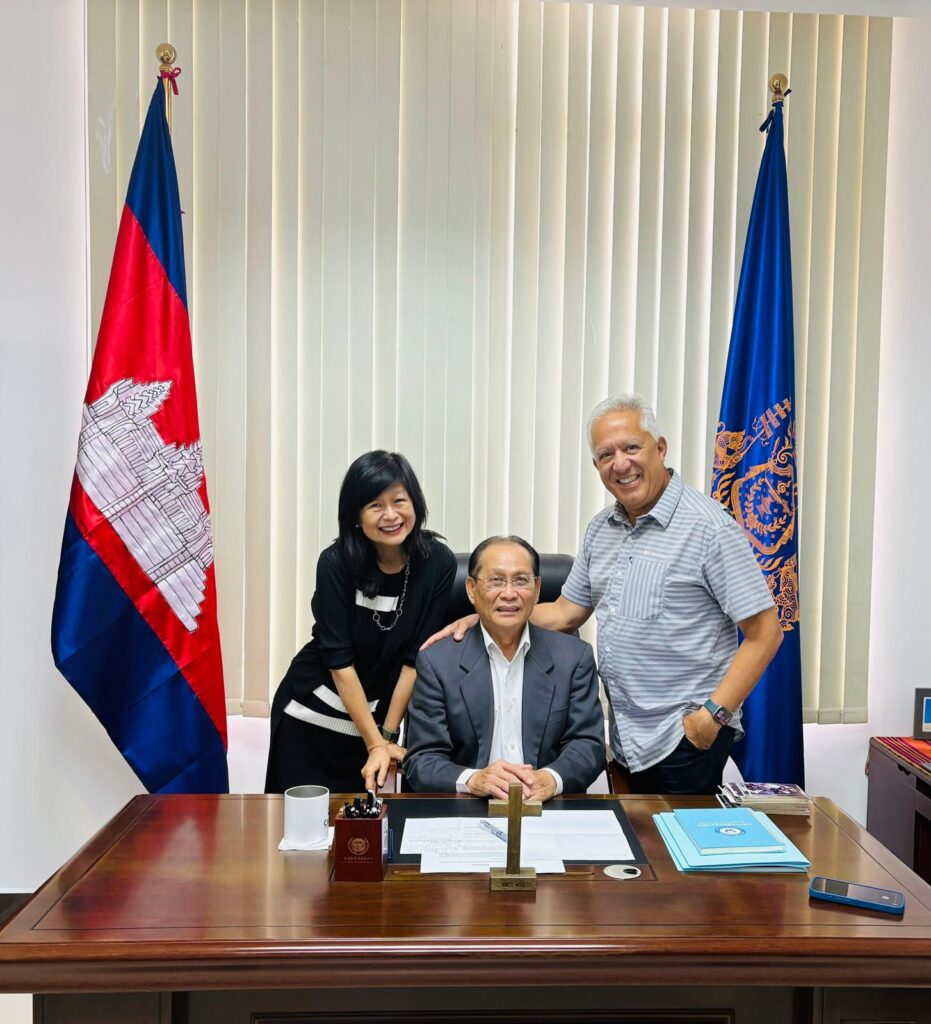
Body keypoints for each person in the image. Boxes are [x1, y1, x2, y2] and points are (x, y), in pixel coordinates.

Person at [425, 395, 782, 795]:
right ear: (596, 466)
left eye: (631, 447)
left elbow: (766, 633)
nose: (620, 464)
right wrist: (487, 618)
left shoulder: (709, 529)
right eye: (606, 455)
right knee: (633, 837)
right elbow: (565, 613)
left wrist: (710, 717)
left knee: (671, 838)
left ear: (660, 448)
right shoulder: (601, 529)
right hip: (627, 739)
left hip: (682, 737)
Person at [265, 451, 456, 795]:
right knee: (301, 825)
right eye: (375, 506)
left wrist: (386, 737)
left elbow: (416, 658)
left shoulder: (437, 562)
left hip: (372, 727)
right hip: (311, 718)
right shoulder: (335, 563)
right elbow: (339, 663)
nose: (391, 515)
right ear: (355, 514)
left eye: (399, 501)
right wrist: (376, 743)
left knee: (366, 826)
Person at [404, 536, 605, 801]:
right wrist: (473, 780)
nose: (509, 593)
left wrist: (550, 779)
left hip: (546, 806)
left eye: (521, 581)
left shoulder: (574, 658)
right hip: (469, 807)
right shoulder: (438, 662)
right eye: (496, 581)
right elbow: (422, 759)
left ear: (537, 589)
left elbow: (588, 745)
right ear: (471, 589)